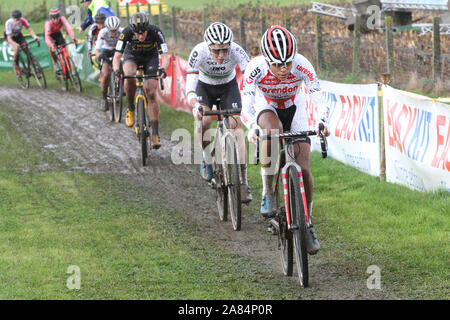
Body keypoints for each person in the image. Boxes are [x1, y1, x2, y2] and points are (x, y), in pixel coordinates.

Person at [242, 26, 330, 255]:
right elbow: (246, 105)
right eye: (277, 65)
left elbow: (317, 94)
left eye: (287, 64)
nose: (283, 69)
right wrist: (252, 126)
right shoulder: (255, 67)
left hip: (295, 105)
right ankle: (268, 193)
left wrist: (322, 121)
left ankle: (307, 223)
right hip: (267, 105)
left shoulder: (302, 64)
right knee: (272, 130)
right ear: (266, 60)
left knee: (303, 167)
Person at [186, 22, 252, 204]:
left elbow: (250, 77)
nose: (222, 55)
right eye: (216, 51)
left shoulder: (237, 51)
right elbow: (189, 86)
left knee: (237, 128)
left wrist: (250, 101)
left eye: (225, 50)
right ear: (208, 47)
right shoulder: (198, 52)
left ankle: (244, 182)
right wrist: (195, 105)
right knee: (204, 122)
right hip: (204, 88)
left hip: (228, 87)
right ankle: (207, 159)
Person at [113, 12, 170, 149]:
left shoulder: (156, 32)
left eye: (143, 32)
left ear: (147, 28)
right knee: (130, 75)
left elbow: (166, 55)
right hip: (131, 55)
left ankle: (155, 133)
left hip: (150, 57)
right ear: (132, 31)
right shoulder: (126, 32)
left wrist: (162, 68)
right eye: (137, 34)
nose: (140, 36)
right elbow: (116, 56)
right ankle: (131, 108)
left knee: (151, 92)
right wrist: (116, 70)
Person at [95, 16, 123, 111]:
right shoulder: (103, 32)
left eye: (115, 30)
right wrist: (99, 55)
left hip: (118, 51)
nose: (114, 32)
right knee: (106, 74)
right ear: (107, 28)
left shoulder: (122, 32)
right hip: (106, 50)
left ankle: (121, 86)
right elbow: (97, 48)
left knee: (123, 68)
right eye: (111, 30)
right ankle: (104, 98)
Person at [4, 10, 40, 74]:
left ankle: (35, 71)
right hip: (10, 37)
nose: (17, 22)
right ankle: (16, 64)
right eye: (16, 20)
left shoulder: (23, 20)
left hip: (18, 35)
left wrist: (35, 36)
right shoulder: (8, 23)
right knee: (16, 48)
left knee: (27, 49)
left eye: (19, 20)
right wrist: (15, 44)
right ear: (13, 19)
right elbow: (9, 39)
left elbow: (30, 29)